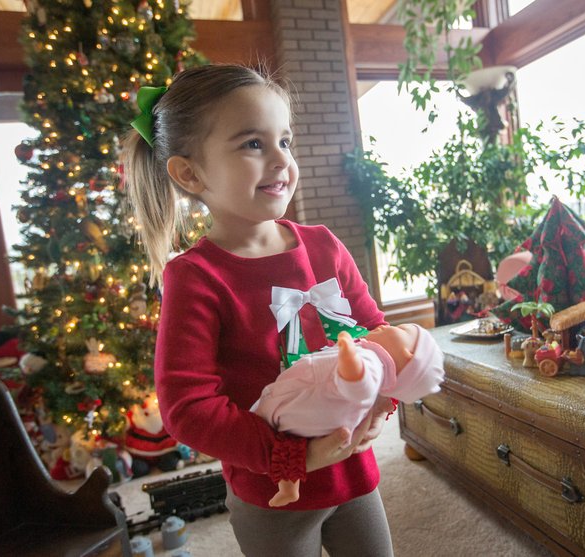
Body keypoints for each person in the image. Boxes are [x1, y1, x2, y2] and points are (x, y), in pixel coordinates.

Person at [122, 64, 396, 556]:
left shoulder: (324, 246)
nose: (280, 161)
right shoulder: (195, 277)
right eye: (253, 144)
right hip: (272, 497)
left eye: (285, 142)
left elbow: (375, 331)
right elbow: (189, 408)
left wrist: (382, 401)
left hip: (356, 476)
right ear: (190, 173)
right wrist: (292, 456)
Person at [252, 324, 445, 507]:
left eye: (401, 329)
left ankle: (288, 484)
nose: (387, 325)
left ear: (408, 356)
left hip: (293, 404)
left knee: (267, 422)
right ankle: (288, 486)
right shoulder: (374, 361)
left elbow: (361, 387)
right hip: (311, 418)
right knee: (291, 443)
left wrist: (349, 359)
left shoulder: (373, 361)